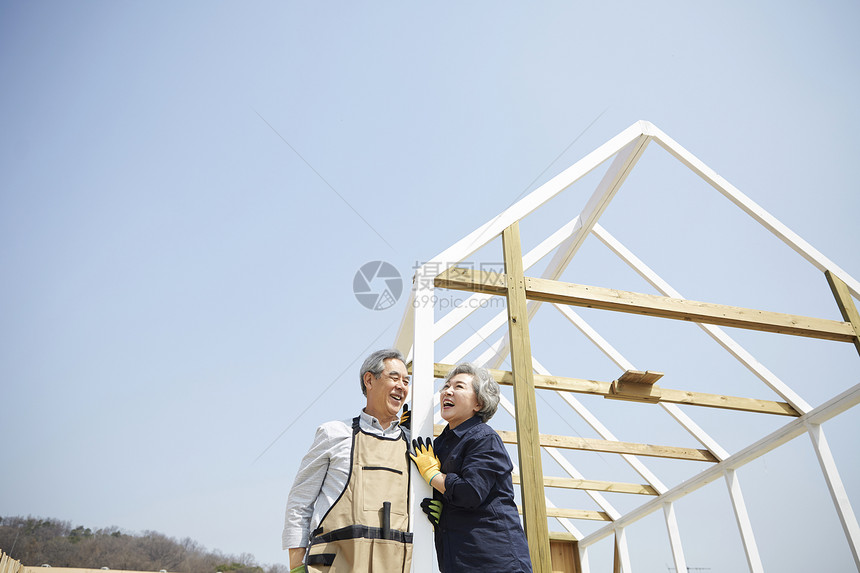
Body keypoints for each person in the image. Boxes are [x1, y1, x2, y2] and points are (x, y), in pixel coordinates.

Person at [282, 349, 413, 573]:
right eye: (394, 378)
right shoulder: (334, 433)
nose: (402, 386)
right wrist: (296, 565)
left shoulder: (412, 444)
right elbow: (300, 501)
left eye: (406, 381)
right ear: (369, 380)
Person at [410, 362, 533, 572]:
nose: (447, 391)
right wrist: (406, 431)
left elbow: (470, 492)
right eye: (446, 386)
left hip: (496, 562)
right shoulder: (439, 445)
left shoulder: (484, 438)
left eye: (458, 387)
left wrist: (433, 475)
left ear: (479, 403)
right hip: (458, 562)